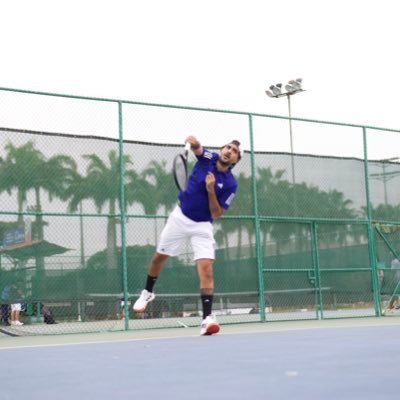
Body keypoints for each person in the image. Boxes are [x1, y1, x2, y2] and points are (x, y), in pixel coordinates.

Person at [133, 136, 241, 335]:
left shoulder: (231, 184)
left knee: (206, 269)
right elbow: (198, 147)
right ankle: (148, 292)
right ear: (222, 149)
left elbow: (217, 214)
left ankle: (207, 319)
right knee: (159, 257)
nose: (229, 151)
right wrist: (192, 141)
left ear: (235, 160)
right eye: (228, 147)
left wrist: (210, 191)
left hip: (202, 226)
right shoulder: (209, 157)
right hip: (180, 217)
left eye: (234, 151)